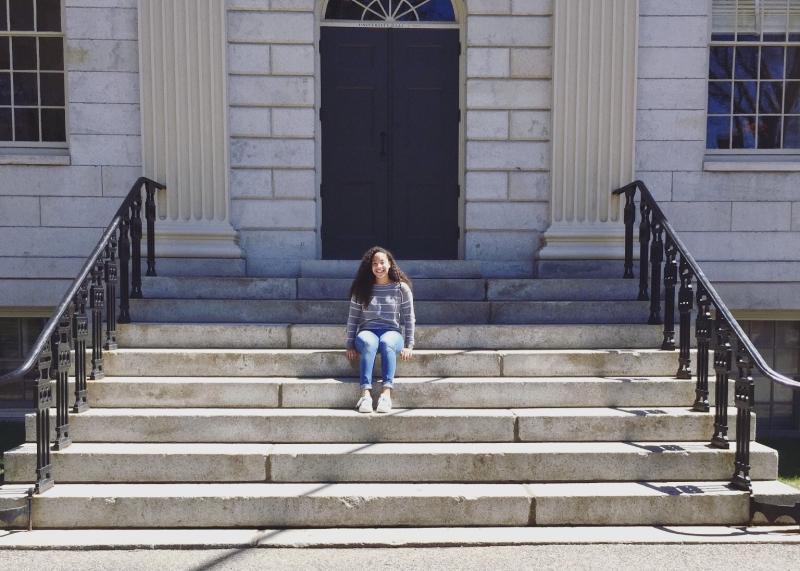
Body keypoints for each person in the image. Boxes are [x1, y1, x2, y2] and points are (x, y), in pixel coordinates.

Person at [345, 246, 415, 413]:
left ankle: (386, 394)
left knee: (386, 342)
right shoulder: (361, 289)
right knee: (369, 343)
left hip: (392, 332)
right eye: (374, 263)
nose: (378, 266)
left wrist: (409, 344)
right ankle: (366, 395)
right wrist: (349, 344)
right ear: (370, 267)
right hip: (367, 331)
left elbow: (408, 317)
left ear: (390, 263)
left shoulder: (401, 288)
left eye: (382, 262)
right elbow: (353, 318)